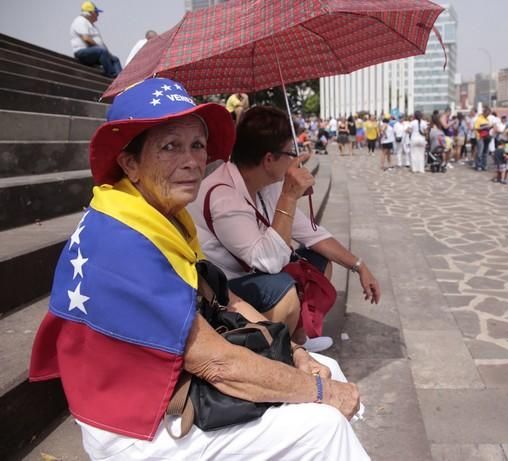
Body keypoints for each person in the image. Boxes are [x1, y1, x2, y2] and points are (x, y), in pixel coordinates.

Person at [29, 78, 369, 460]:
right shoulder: (123, 242)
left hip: (162, 382)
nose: (192, 161)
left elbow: (222, 295)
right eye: (170, 147)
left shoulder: (153, 215)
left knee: (325, 366)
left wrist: (294, 351)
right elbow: (218, 362)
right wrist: (321, 393)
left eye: (197, 145)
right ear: (130, 163)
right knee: (321, 426)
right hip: (134, 423)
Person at [188, 105, 381, 346]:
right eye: (290, 153)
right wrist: (289, 197)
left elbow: (311, 233)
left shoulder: (266, 184)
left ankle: (298, 340)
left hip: (255, 271)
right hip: (224, 290)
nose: (294, 160)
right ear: (269, 159)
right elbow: (267, 262)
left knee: (318, 261)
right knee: (282, 288)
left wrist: (359, 266)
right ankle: (279, 352)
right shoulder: (223, 197)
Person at [70, 1, 121, 78]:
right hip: (82, 52)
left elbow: (100, 44)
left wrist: (109, 54)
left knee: (115, 59)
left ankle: (120, 78)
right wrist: (100, 49)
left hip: (95, 52)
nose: (98, 15)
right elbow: (86, 39)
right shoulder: (80, 21)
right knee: (102, 51)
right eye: (96, 12)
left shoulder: (91, 25)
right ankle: (112, 75)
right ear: (90, 12)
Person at [474, 106, 492, 171]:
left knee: (485, 152)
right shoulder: (479, 119)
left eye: (489, 114)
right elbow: (476, 128)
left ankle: (484, 165)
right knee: (480, 152)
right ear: (484, 112)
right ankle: (478, 165)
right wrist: (484, 127)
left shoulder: (487, 119)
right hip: (480, 137)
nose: (488, 115)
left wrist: (490, 127)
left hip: (487, 137)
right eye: (488, 113)